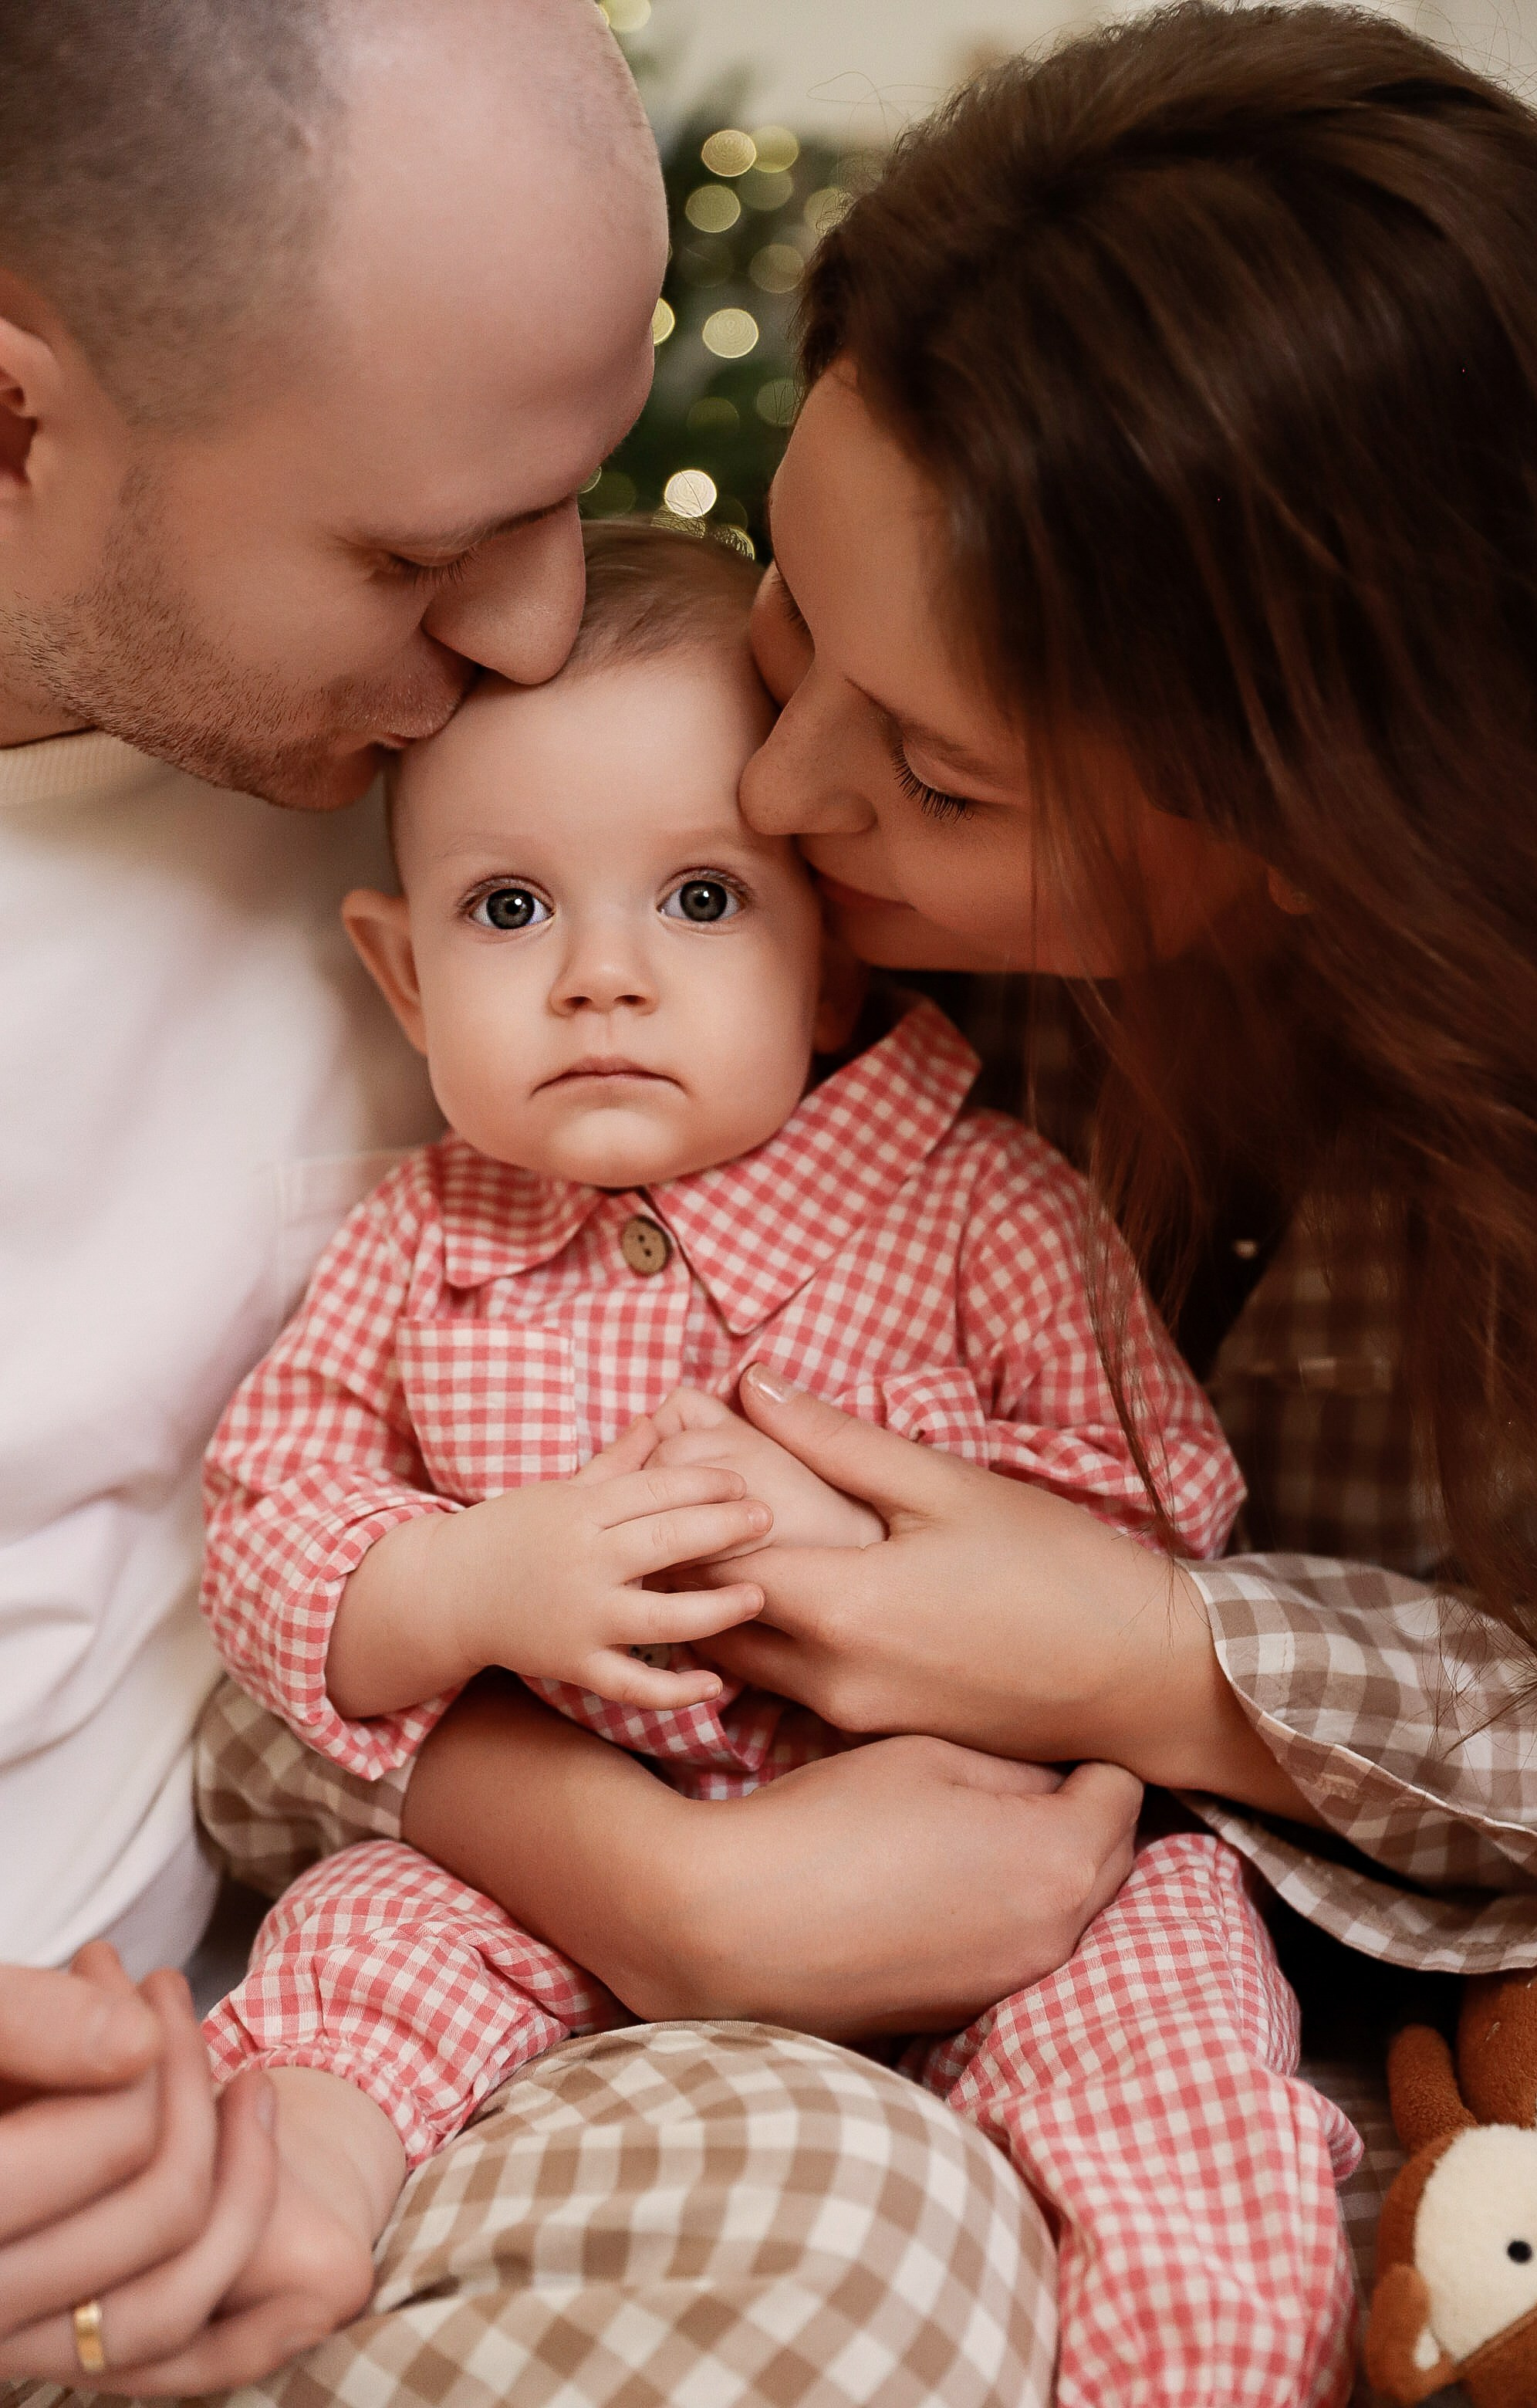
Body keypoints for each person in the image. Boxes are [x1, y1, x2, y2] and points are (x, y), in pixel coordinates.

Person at [201, 0, 1537, 2396]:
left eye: (940, 776)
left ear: (1315, 828)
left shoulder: (1478, 1143)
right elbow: (262, 1625)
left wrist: (1150, 1658)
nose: (782, 795)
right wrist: (647, 1876)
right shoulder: (668, 1011)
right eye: (792, 616)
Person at [0, 5, 1095, 2402]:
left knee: (865, 2237)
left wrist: (661, 1878)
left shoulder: (515, 782)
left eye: (576, 498)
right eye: (416, 550)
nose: (526, 636)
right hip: (122, 2138)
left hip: (346, 2074)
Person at [187, 520, 1353, 2389]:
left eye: (699, 899)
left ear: (826, 971)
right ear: (404, 984)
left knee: (1169, 2034)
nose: (601, 977)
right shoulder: (422, 1238)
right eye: (510, 910)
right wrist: (468, 1579)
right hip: (557, 1867)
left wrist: (883, 1526)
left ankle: (1190, 2361)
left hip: (987, 1861)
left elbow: (1163, 1511)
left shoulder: (979, 1199)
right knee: (360, 1950)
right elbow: (269, 1529)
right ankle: (277, 2228)